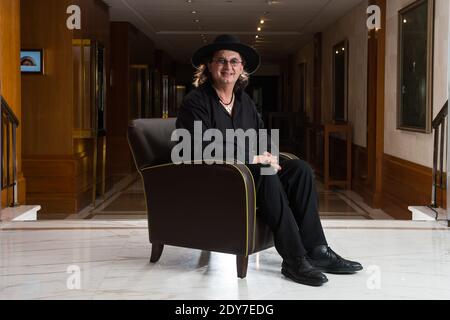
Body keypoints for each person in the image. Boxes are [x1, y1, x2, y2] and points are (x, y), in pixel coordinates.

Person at [176, 34, 362, 287]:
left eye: (234, 61)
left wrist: (270, 156)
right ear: (209, 66)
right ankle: (294, 259)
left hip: (249, 173)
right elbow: (201, 147)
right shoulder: (195, 102)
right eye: (221, 61)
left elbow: (261, 135)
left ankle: (317, 250)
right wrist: (255, 157)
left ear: (241, 68)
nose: (227, 67)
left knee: (300, 170)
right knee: (264, 172)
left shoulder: (244, 101)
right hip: (215, 179)